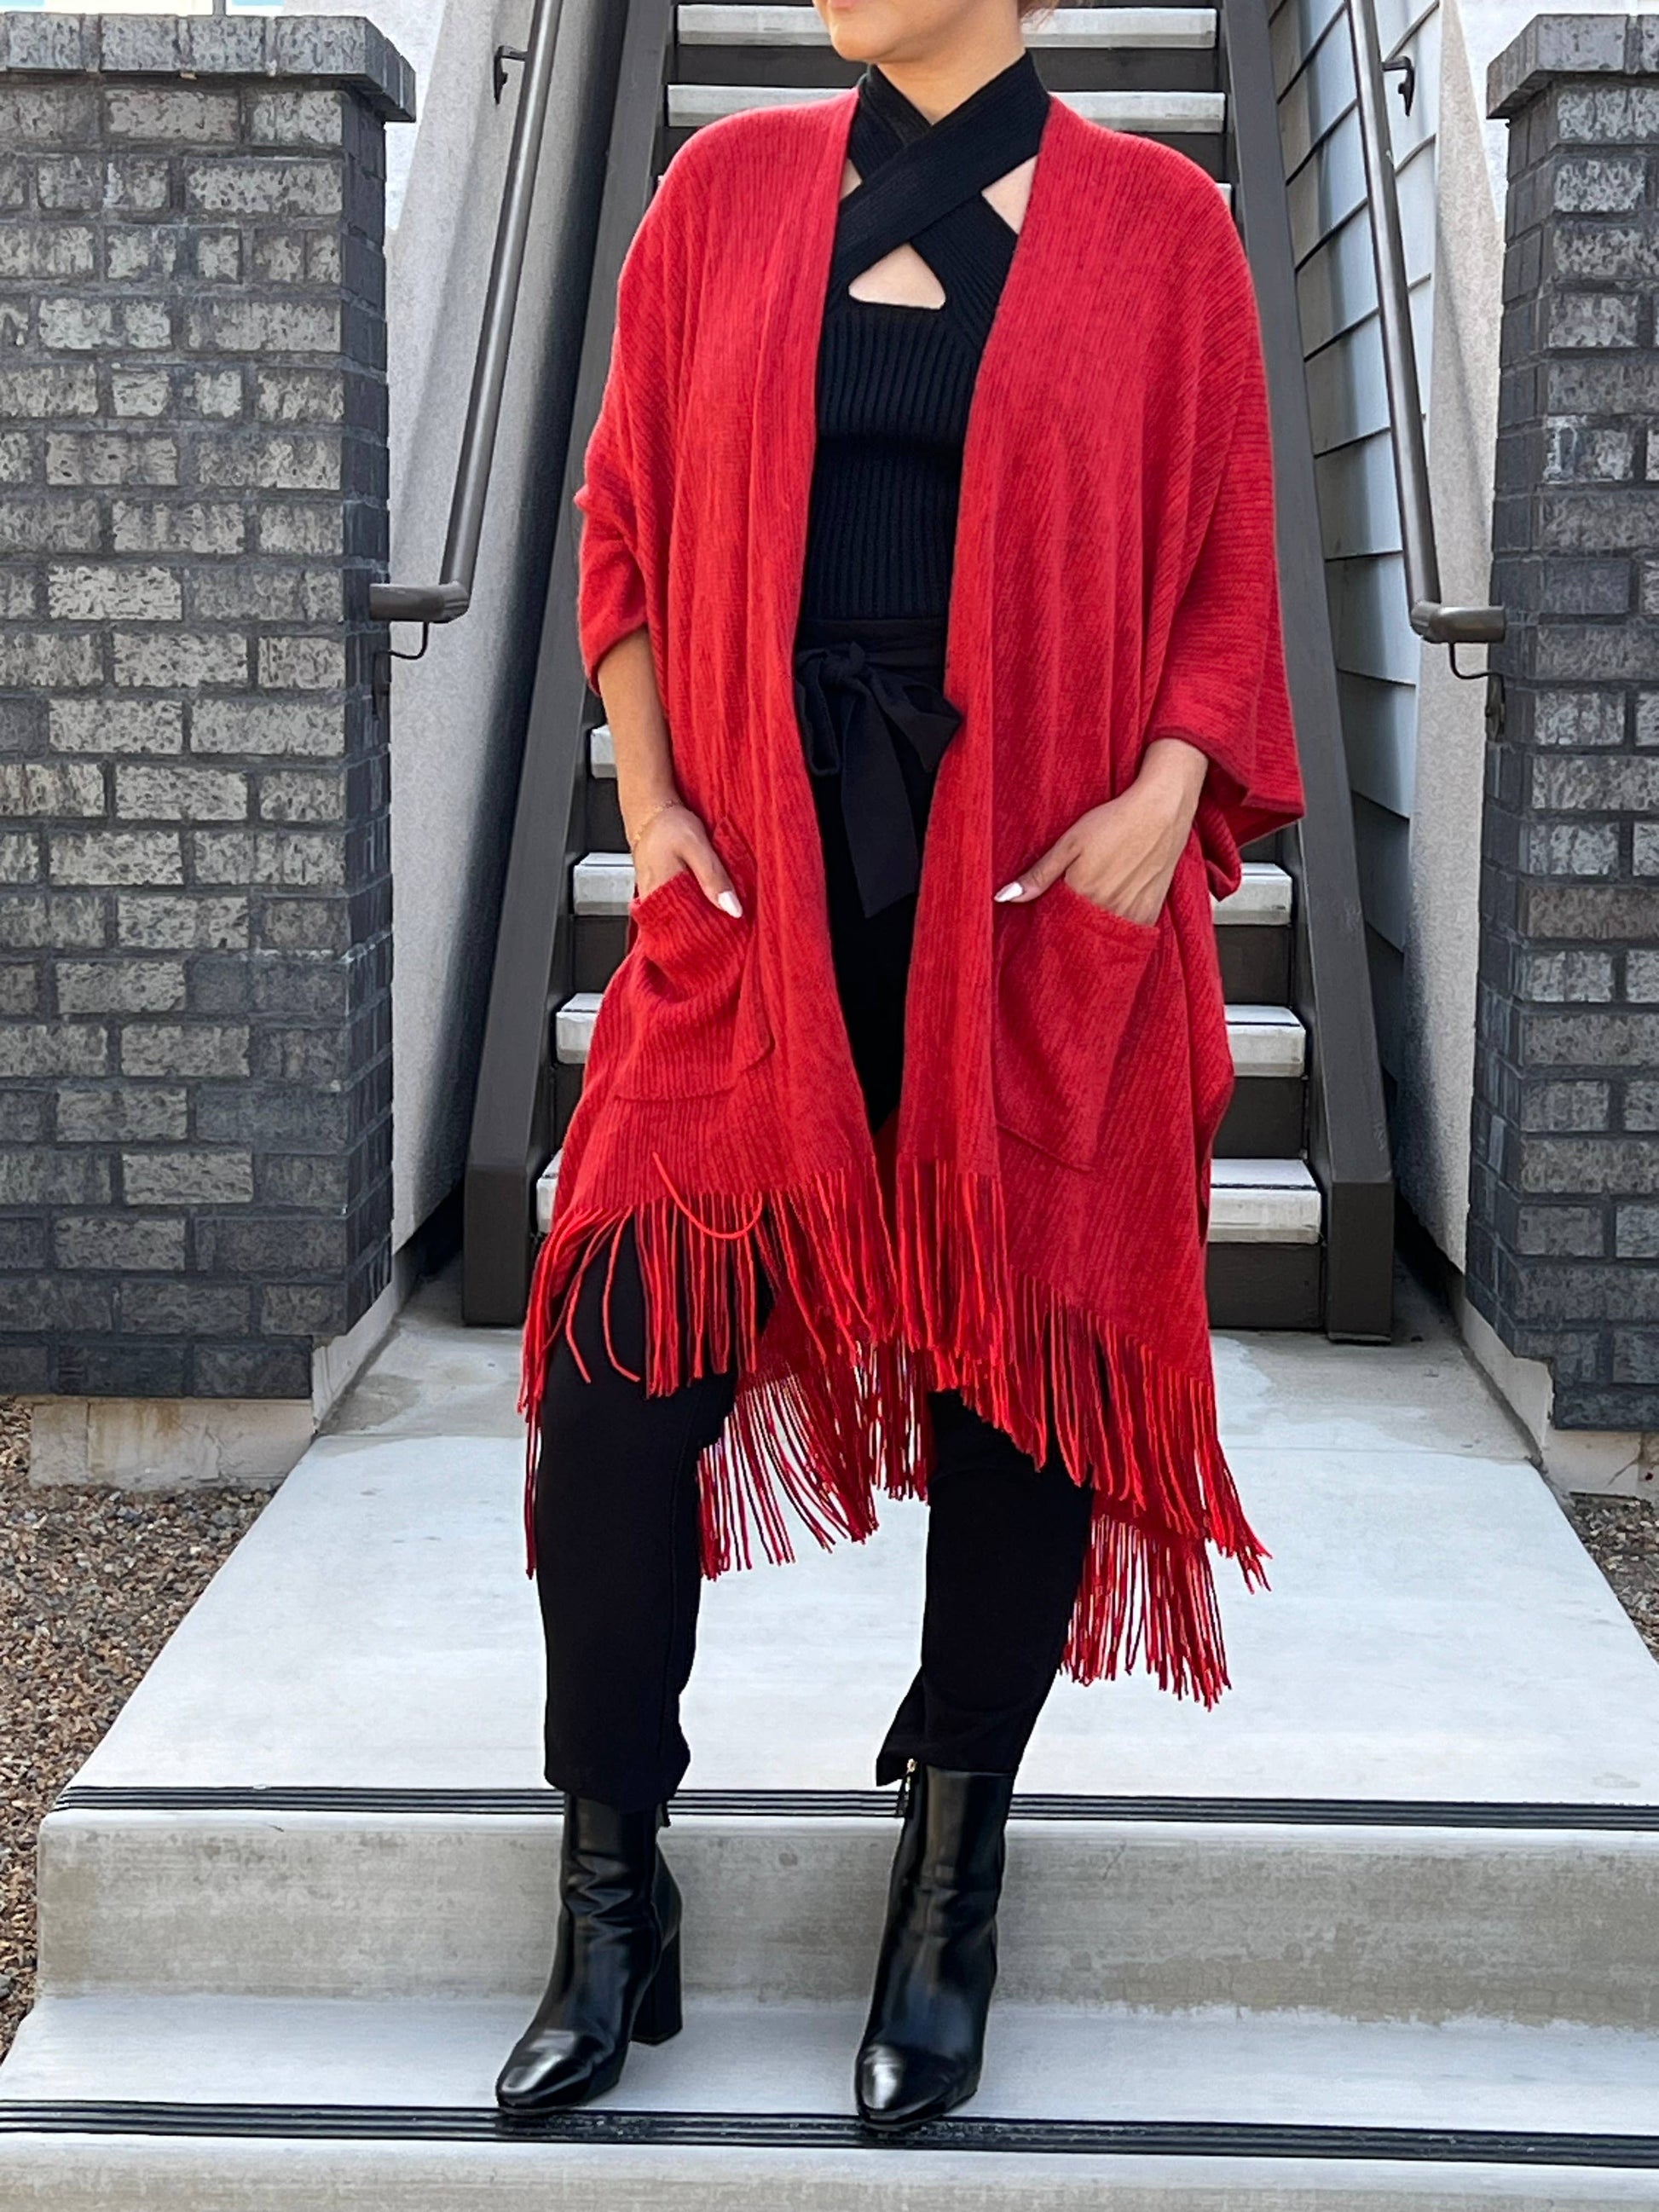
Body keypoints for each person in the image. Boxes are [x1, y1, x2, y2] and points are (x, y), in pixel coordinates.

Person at [498, 0, 1305, 2133]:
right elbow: (627, 519)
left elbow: (1232, 554)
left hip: (1031, 915)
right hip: (756, 913)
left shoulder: (1162, 228)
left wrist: (1168, 788)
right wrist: (650, 803)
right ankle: (609, 1885)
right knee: (613, 1390)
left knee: (1022, 1395)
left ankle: (951, 1880)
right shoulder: (720, 192)